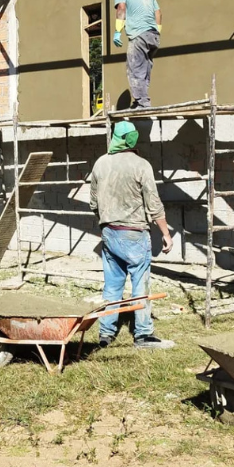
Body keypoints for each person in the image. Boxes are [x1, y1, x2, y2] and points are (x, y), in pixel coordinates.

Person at [89, 120, 175, 349]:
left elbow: (93, 204)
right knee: (140, 284)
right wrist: (166, 233)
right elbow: (154, 204)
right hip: (134, 233)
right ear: (132, 139)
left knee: (112, 286)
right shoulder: (141, 165)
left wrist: (107, 221)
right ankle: (143, 335)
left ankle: (105, 334)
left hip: (109, 233)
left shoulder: (100, 164)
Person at [112, 0, 161, 108]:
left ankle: (142, 103)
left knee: (134, 68)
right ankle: (143, 100)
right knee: (145, 69)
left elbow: (121, 8)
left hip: (138, 34)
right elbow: (158, 13)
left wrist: (117, 31)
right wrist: (157, 31)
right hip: (153, 35)